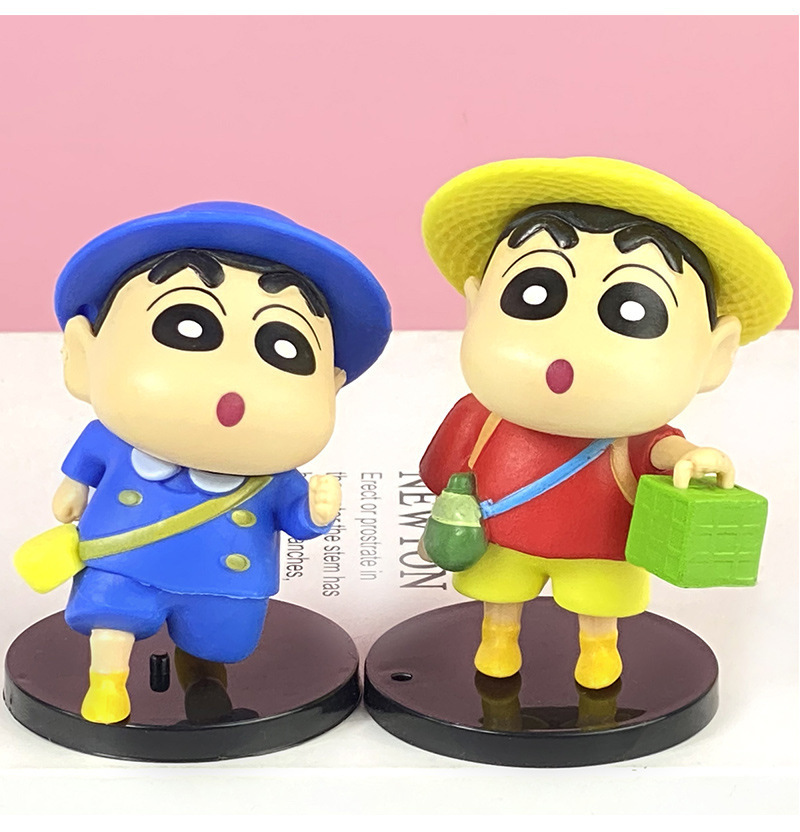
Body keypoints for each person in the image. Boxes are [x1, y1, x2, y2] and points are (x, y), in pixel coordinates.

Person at [419, 158, 791, 689]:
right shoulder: (479, 417)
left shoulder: (629, 435)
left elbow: (661, 450)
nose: (568, 347)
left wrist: (692, 458)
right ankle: (498, 638)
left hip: (598, 543)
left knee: (599, 602)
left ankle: (598, 649)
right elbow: (442, 475)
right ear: (475, 308)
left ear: (714, 356)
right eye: (533, 293)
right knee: (499, 595)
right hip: (502, 538)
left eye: (631, 311)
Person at [23, 201, 391, 723]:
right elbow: (83, 468)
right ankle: (107, 683)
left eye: (284, 348)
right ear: (85, 357)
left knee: (221, 644)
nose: (232, 379)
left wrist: (317, 510)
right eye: (188, 327)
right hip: (126, 562)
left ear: (330, 389)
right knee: (112, 615)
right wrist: (72, 490)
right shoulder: (109, 439)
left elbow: (297, 521)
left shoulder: (273, 480)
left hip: (228, 583)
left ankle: (203, 679)